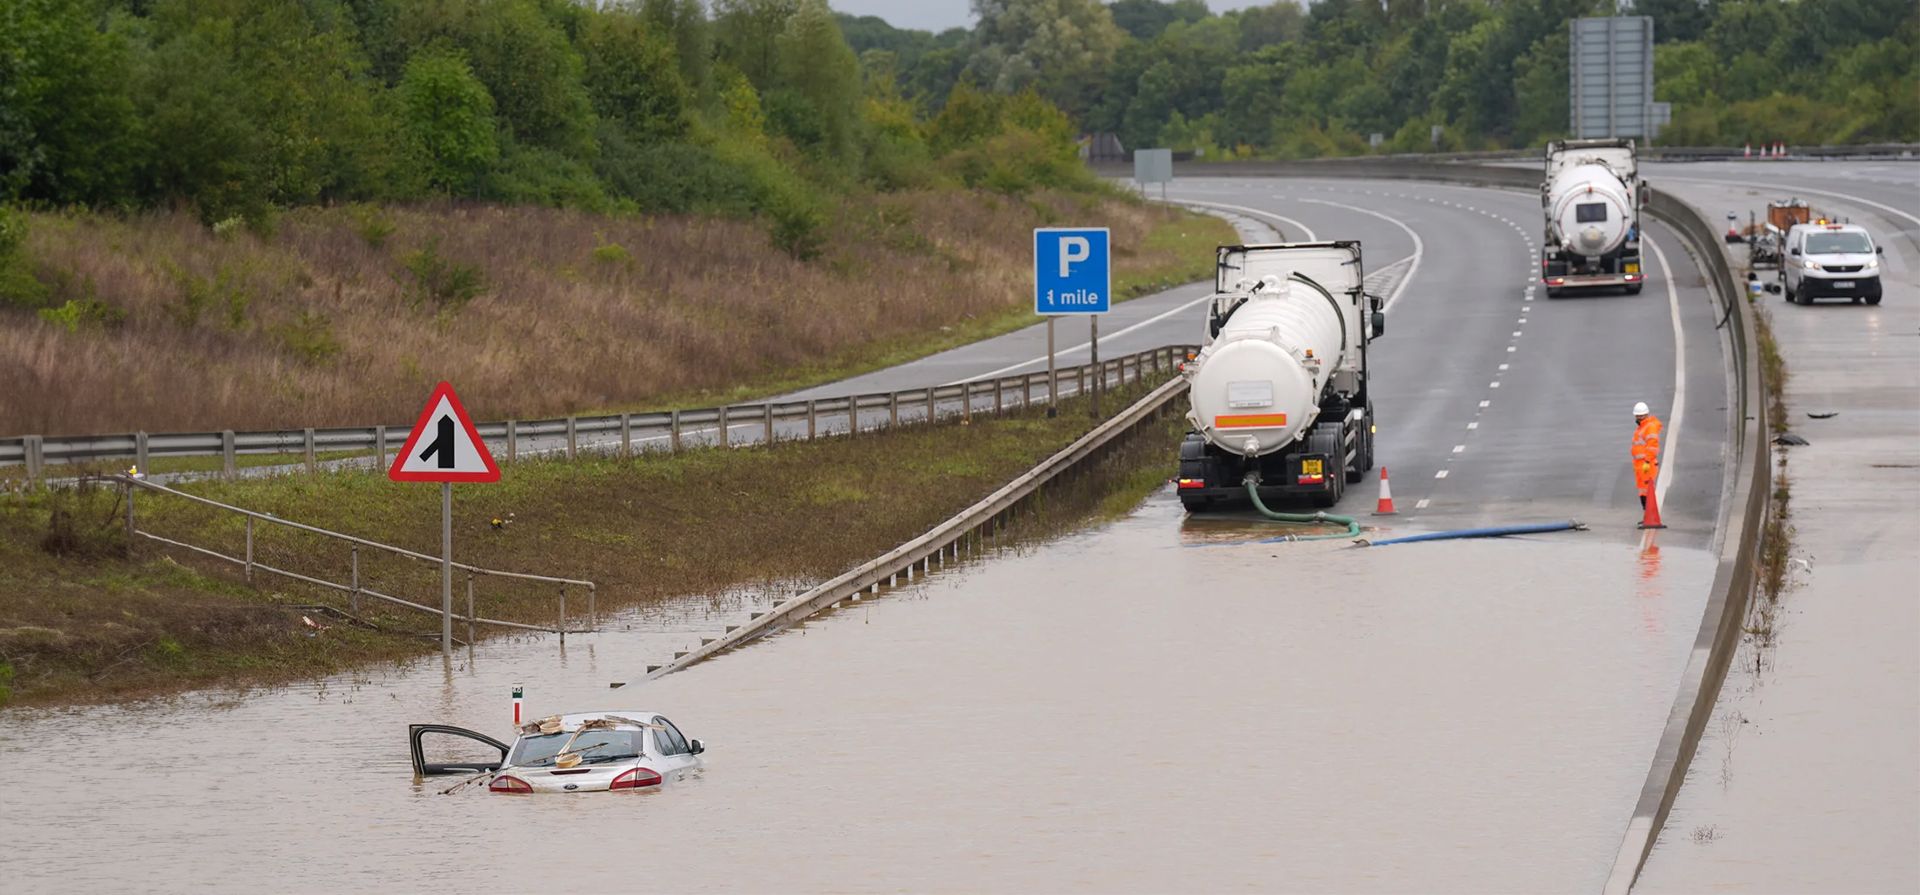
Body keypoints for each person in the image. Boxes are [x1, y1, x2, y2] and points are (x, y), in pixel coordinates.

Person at [1631, 401, 1663, 525]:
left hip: (1646, 464)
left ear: (1646, 414)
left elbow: (1653, 446)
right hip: (1640, 465)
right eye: (1638, 416)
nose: (1639, 418)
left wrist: (1647, 461)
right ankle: (1647, 516)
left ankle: (1650, 517)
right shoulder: (1643, 426)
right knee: (1643, 491)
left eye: (1641, 415)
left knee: (1647, 490)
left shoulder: (1649, 427)